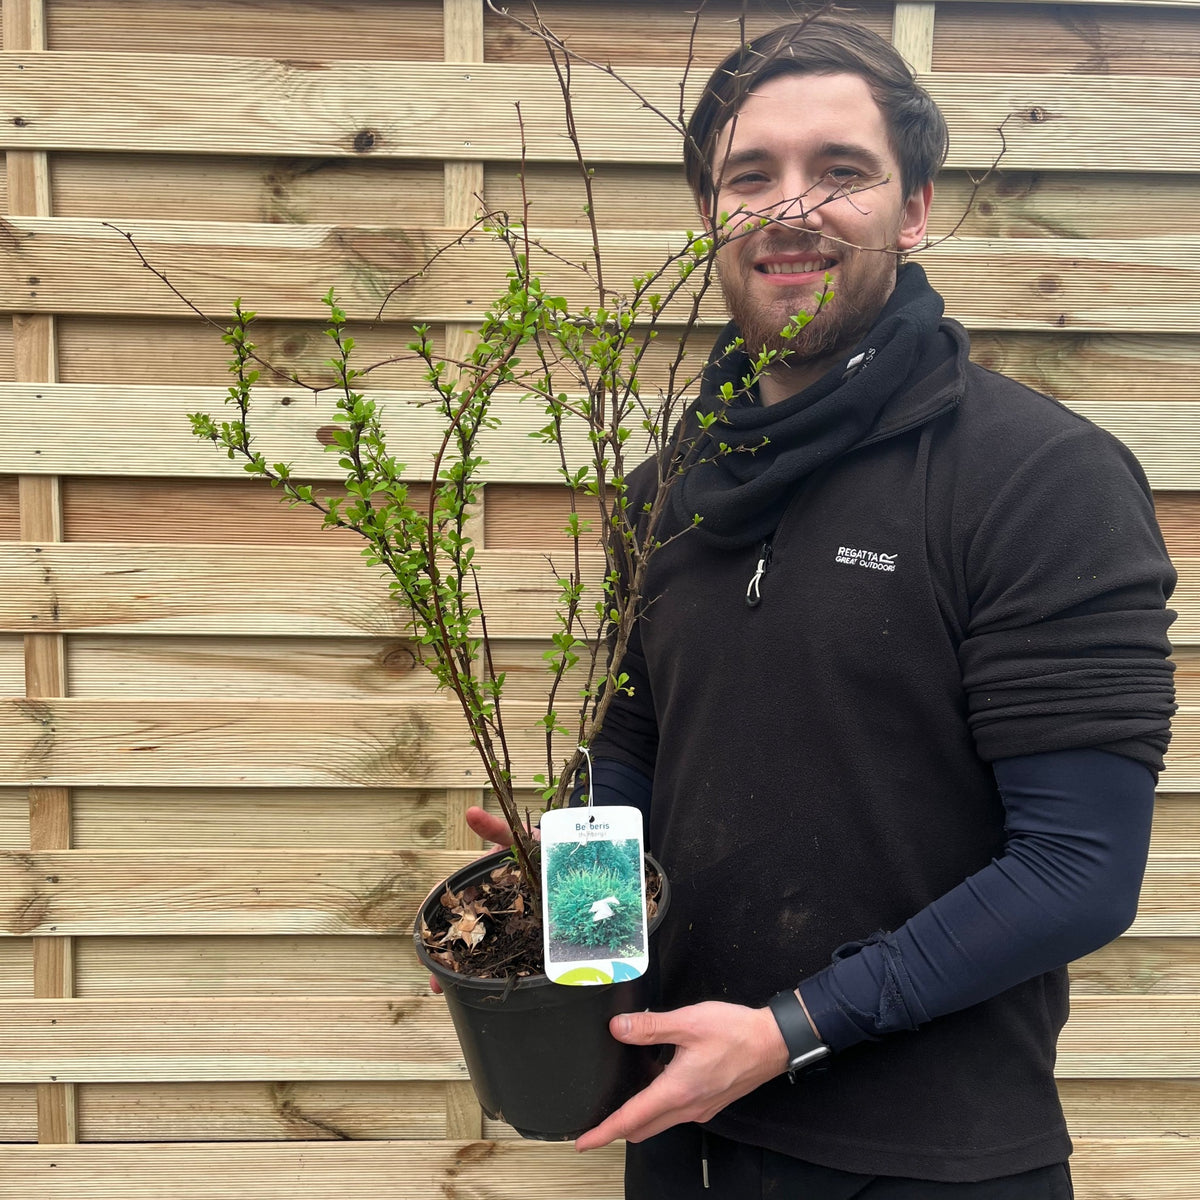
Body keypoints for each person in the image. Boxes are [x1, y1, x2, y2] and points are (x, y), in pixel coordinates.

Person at [459, 15, 1177, 1198]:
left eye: (841, 171)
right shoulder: (671, 487)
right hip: (677, 1128)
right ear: (712, 216)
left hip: (932, 1161)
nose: (791, 207)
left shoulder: (1038, 478)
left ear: (913, 210)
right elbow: (645, 736)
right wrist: (575, 897)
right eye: (754, 175)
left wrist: (789, 1030)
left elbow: (1078, 867)